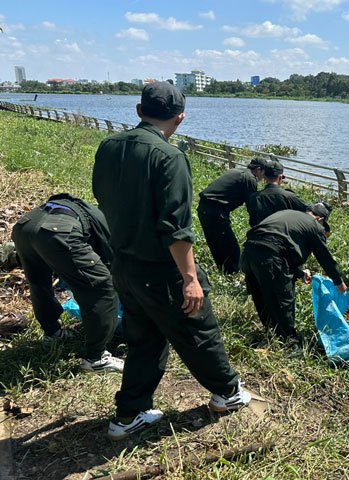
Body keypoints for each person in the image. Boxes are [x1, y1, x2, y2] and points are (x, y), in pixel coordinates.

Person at [93, 82, 250, 441]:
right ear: (179, 118)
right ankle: (228, 393)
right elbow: (176, 229)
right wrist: (190, 278)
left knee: (144, 340)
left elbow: (102, 197)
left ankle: (128, 414)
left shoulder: (109, 146)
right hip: (160, 268)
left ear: (138, 110)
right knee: (199, 329)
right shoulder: (169, 157)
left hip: (124, 265)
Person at [11, 194, 124, 373]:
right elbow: (111, 268)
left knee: (39, 282)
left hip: (25, 226)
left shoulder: (91, 212)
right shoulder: (109, 227)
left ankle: (53, 333)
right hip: (58, 231)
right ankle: (97, 358)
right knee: (103, 287)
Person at [241, 203, 347, 339]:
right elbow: (324, 257)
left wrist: (300, 273)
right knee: (283, 300)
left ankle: (271, 333)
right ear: (320, 219)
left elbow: (281, 247)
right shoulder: (314, 226)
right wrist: (339, 282)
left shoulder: (289, 214)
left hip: (248, 254)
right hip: (269, 258)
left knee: (260, 294)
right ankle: (288, 341)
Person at [197, 157, 265, 274]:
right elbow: (252, 207)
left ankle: (223, 271)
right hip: (215, 211)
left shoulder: (237, 171)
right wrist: (257, 229)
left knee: (216, 244)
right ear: (258, 169)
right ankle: (231, 273)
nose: (263, 177)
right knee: (232, 248)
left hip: (204, 208)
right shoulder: (250, 179)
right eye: (263, 173)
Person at [246, 159, 308, 227]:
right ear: (280, 177)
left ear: (264, 176)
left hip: (260, 235)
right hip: (284, 235)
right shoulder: (290, 196)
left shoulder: (254, 197)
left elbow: (252, 222)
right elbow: (307, 211)